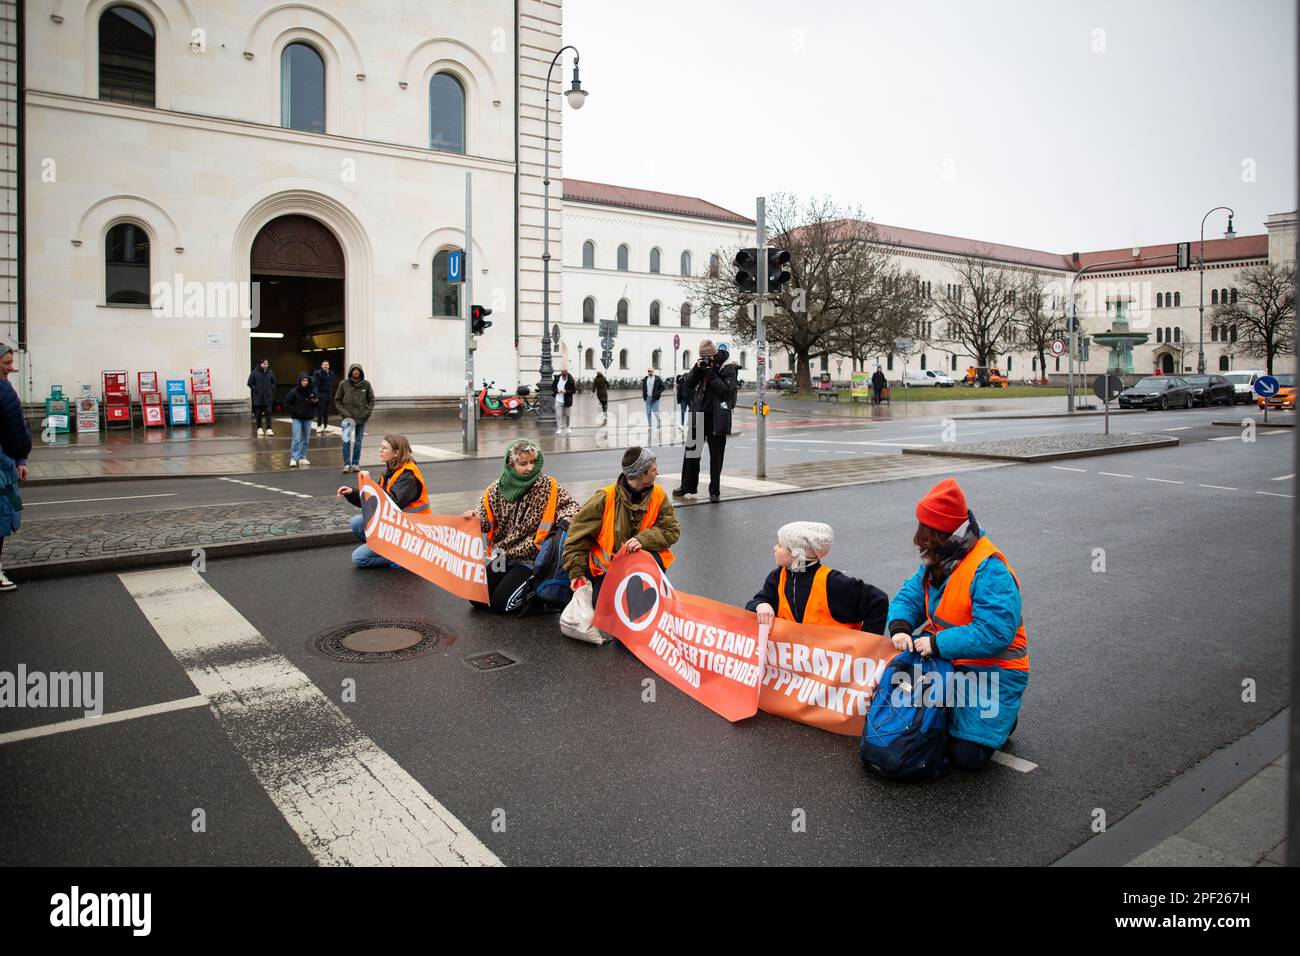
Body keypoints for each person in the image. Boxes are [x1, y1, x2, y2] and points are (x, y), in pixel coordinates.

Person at [885, 478, 1028, 772]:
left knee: (966, 759)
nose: (919, 541)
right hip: (948, 663)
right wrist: (900, 626)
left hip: (991, 674)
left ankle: (1005, 719)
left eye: (925, 534)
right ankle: (984, 719)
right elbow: (910, 596)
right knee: (923, 729)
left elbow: (995, 632)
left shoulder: (990, 569)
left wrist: (937, 643)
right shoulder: (941, 557)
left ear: (941, 534)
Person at [462, 438, 579, 612]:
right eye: (523, 463)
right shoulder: (495, 489)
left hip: (532, 557)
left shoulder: (548, 486)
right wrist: (474, 517)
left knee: (501, 605)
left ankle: (543, 601)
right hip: (502, 555)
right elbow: (486, 520)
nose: (530, 468)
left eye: (533, 462)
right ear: (510, 464)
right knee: (476, 599)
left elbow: (572, 507)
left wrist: (567, 517)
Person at [563, 446, 679, 602]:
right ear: (641, 474)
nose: (657, 473)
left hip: (642, 566)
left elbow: (671, 530)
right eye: (653, 470)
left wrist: (643, 540)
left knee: (644, 611)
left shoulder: (658, 495)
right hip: (608, 571)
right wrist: (577, 573)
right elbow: (576, 537)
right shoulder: (605, 498)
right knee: (604, 614)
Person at [747, 522, 888, 633]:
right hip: (795, 665)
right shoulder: (777, 577)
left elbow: (878, 600)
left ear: (797, 553)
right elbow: (757, 602)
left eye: (780, 545)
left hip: (834, 667)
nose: (774, 548)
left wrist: (867, 644)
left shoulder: (832, 583)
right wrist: (761, 605)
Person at [336, 434, 429, 568]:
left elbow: (388, 504)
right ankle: (386, 549)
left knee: (359, 558)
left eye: (384, 448)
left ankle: (405, 557)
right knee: (357, 522)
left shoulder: (408, 476)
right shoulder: (391, 471)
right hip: (396, 526)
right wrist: (352, 492)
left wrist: (367, 486)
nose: (380, 450)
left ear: (396, 453)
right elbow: (374, 501)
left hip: (411, 533)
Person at [672, 339, 738, 503]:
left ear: (714, 355)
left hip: (716, 417)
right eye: (701, 356)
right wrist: (696, 369)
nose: (705, 359)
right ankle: (687, 486)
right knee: (692, 453)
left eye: (706, 357)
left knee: (716, 456)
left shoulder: (728, 367)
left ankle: (714, 490)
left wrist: (711, 373)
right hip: (699, 414)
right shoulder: (701, 364)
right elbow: (688, 385)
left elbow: (726, 391)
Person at [0, 341, 33, 592]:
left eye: (11, 362)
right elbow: (17, 431)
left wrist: (20, 460)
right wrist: (20, 454)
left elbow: (15, 428)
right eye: (6, 363)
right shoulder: (4, 390)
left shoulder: (5, 387)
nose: (11, 368)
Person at [334, 363, 375, 473]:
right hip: (347, 418)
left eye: (358, 370)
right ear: (351, 372)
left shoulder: (366, 385)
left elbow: (371, 400)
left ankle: (356, 463)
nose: (356, 372)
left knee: (358, 442)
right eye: (354, 370)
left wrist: (367, 413)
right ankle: (347, 464)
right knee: (346, 442)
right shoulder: (343, 384)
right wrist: (344, 413)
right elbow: (337, 400)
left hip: (361, 418)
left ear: (361, 372)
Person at [283, 371, 317, 467]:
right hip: (297, 418)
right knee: (296, 439)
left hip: (308, 418)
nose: (305, 382)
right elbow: (286, 404)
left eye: (306, 380)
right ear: (300, 381)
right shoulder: (293, 392)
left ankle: (303, 457)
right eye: (303, 380)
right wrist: (294, 411)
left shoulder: (311, 392)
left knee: (306, 439)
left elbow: (315, 404)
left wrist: (315, 401)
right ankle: (294, 458)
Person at [247, 358, 276, 436]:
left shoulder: (270, 372)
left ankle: (269, 429)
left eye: (267, 364)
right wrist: (256, 389)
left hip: (268, 396)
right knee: (258, 413)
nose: (266, 365)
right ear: (260, 364)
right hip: (258, 396)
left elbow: (274, 382)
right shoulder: (254, 373)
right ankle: (259, 428)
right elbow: (249, 383)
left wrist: (271, 389)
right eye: (264, 364)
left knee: (269, 412)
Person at [311, 359, 335, 434]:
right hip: (321, 394)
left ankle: (326, 426)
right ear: (321, 366)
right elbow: (315, 385)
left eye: (327, 364)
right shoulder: (318, 373)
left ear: (329, 366)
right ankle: (318, 426)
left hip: (328, 394)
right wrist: (317, 395)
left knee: (326, 411)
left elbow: (331, 384)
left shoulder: (331, 373)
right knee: (320, 411)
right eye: (324, 364)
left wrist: (331, 394)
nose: (325, 366)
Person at [553, 369, 576, 434]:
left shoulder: (571, 380)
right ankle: (559, 428)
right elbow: (552, 387)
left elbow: (574, 390)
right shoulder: (557, 379)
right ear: (561, 375)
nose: (564, 378)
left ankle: (568, 427)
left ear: (567, 376)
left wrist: (566, 391)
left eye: (565, 377)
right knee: (558, 415)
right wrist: (557, 391)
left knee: (567, 415)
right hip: (558, 400)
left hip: (567, 400)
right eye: (563, 377)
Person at [641, 367, 664, 431]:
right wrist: (644, 395)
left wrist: (658, 393)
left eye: (651, 371)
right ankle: (650, 426)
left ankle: (659, 421)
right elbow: (644, 387)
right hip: (648, 397)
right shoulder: (646, 379)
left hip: (655, 398)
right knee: (648, 412)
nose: (649, 372)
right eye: (648, 371)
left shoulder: (657, 379)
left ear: (653, 371)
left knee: (655, 412)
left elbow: (663, 387)